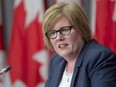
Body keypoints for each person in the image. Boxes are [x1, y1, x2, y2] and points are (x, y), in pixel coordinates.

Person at [42, 1, 116, 87]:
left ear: (81, 29)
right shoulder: (56, 60)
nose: (58, 37)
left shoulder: (100, 58)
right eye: (52, 32)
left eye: (65, 30)